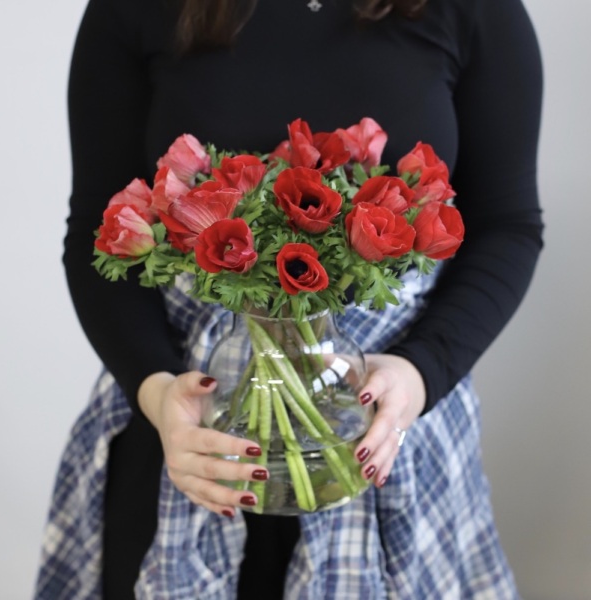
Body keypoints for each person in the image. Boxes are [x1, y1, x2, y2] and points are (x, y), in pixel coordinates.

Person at [35, 0, 543, 598]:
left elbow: (507, 224)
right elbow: (101, 224)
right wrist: (156, 390)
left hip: (392, 421)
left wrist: (421, 373)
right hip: (189, 429)